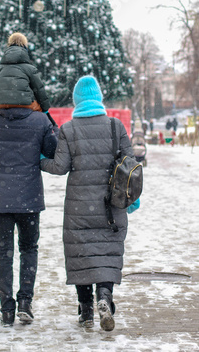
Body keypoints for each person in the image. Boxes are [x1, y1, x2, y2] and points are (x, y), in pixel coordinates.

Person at [40, 75, 137, 332]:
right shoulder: (116, 127)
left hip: (79, 209)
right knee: (106, 254)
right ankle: (104, 297)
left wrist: (40, 159)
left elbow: (59, 167)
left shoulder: (69, 129)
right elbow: (131, 166)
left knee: (82, 256)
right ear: (99, 99)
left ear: (76, 101)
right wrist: (132, 199)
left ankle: (86, 312)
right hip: (111, 207)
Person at [0, 106, 58, 327]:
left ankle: (7, 309)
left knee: (3, 252)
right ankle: (25, 302)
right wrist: (48, 118)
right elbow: (53, 150)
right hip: (29, 197)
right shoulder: (39, 120)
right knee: (29, 248)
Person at [0, 32, 50, 114]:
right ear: (25, 47)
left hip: (0, 105)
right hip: (24, 104)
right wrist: (45, 109)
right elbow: (39, 90)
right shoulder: (29, 68)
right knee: (40, 110)